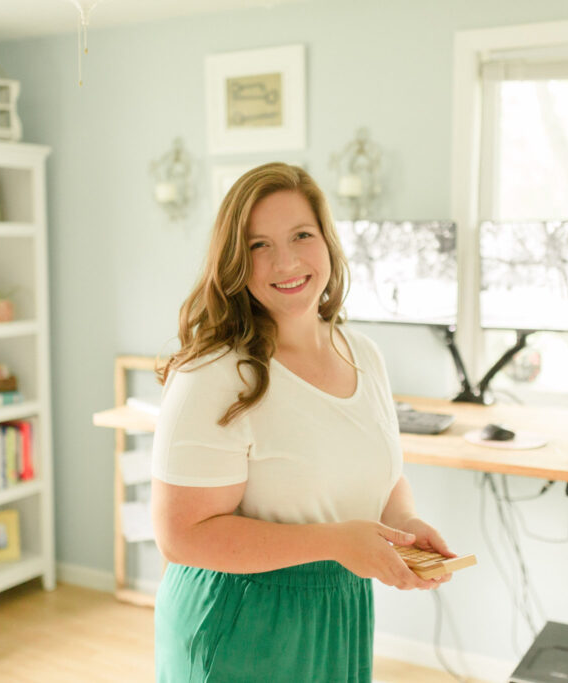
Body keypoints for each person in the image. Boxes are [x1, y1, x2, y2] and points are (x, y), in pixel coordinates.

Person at [151, 162, 457, 682]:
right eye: (258, 245)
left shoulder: (363, 354)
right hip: (242, 616)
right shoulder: (214, 373)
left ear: (328, 242)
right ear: (234, 262)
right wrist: (336, 541)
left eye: (301, 235)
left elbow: (381, 475)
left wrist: (403, 525)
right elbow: (181, 535)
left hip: (339, 610)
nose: (286, 260)